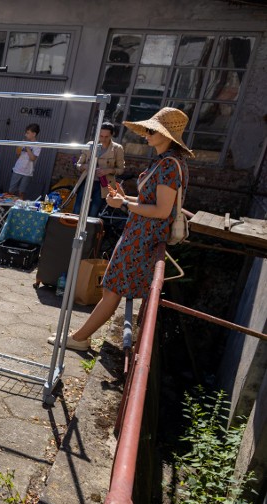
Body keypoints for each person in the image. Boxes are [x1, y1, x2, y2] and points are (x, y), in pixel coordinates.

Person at [50, 107, 192, 351]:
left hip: (142, 238)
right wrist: (127, 200)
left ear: (166, 135)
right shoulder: (165, 161)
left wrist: (125, 203)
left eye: (151, 130)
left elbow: (161, 211)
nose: (145, 134)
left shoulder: (169, 165)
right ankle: (79, 336)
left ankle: (79, 338)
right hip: (139, 233)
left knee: (113, 288)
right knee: (111, 286)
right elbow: (153, 205)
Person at [74, 122, 125, 217]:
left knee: (94, 212)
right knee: (77, 209)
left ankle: (89, 231)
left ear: (112, 135)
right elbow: (78, 164)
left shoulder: (118, 148)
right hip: (87, 181)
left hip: (104, 184)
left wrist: (108, 171)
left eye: (106, 136)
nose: (103, 139)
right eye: (101, 136)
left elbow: (121, 169)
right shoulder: (90, 145)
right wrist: (86, 167)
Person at [8, 123, 41, 200]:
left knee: (21, 192)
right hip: (17, 170)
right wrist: (19, 147)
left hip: (27, 173)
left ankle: (19, 209)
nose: (25, 135)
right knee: (11, 191)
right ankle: (8, 208)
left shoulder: (38, 145)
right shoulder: (24, 142)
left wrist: (27, 146)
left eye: (28, 133)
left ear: (34, 134)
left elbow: (33, 158)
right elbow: (18, 155)